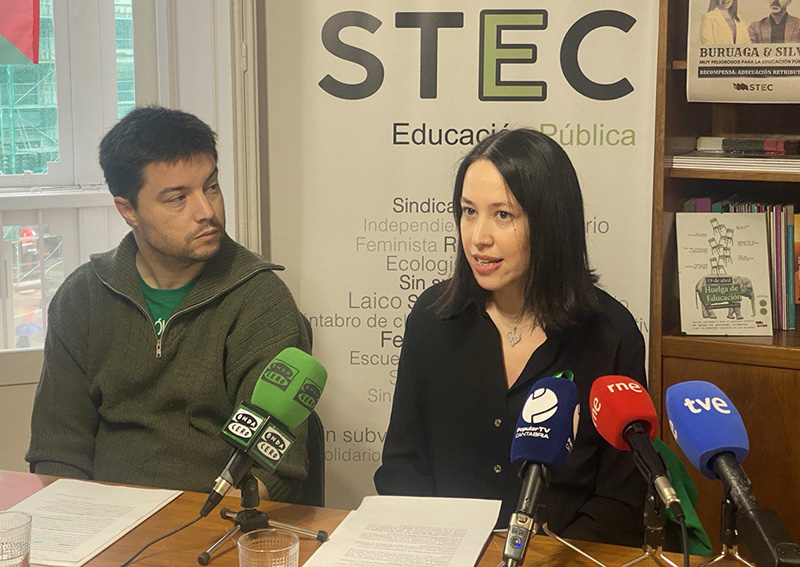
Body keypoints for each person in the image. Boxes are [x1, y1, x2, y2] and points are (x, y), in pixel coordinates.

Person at [374, 129, 649, 547]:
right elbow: (401, 468)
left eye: (503, 215)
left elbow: (622, 502)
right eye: (469, 211)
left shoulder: (610, 333)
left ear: (551, 223)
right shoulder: (432, 318)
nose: (478, 237)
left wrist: (544, 555)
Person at [26, 106, 312, 502]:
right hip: (102, 516)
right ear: (128, 210)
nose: (206, 212)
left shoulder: (260, 299)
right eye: (178, 198)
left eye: (211, 187)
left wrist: (194, 529)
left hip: (213, 518)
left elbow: (269, 466)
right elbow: (57, 450)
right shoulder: (82, 297)